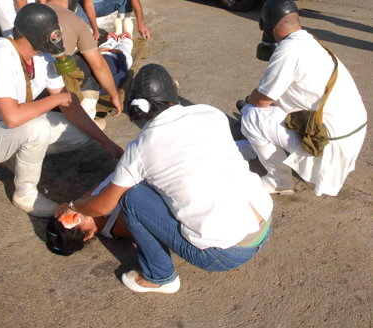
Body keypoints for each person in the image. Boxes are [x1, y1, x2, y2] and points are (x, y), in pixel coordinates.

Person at [55, 64, 273, 294]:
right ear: (172, 94)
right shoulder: (210, 112)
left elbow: (105, 205)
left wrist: (75, 205)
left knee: (133, 197)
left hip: (227, 253)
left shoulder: (140, 149)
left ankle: (160, 277)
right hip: (264, 220)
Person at [0, 3, 123, 218]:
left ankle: (16, 154)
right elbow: (13, 118)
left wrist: (106, 142)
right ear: (31, 34)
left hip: (5, 128)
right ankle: (25, 194)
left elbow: (70, 106)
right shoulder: (1, 56)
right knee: (37, 129)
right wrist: (59, 99)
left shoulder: (42, 55)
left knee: (82, 134)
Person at [239, 0, 367, 197]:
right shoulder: (309, 40)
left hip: (329, 142)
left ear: (270, 28)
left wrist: (249, 101)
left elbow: (262, 99)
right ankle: (258, 145)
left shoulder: (288, 50)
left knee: (251, 115)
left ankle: (279, 181)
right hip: (352, 134)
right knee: (271, 108)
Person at [46, 0, 123, 118]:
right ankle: (87, 117)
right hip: (57, 87)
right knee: (87, 64)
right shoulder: (75, 21)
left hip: (29, 86)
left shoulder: (27, 14)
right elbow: (99, 66)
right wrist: (114, 95)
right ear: (71, 2)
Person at [47, 172, 131, 255]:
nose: (77, 213)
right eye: (75, 220)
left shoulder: (82, 203)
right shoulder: (120, 226)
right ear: (88, 236)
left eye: (67, 213)